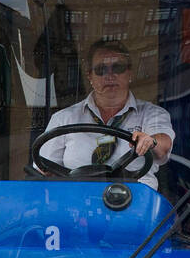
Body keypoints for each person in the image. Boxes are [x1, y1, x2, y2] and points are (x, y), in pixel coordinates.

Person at [36, 40, 174, 190]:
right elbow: (43, 171)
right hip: (77, 203)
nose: (110, 76)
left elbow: (164, 146)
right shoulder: (63, 119)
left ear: (130, 73)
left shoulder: (152, 114)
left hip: (136, 203)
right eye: (101, 69)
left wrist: (150, 141)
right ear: (90, 76)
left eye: (117, 68)